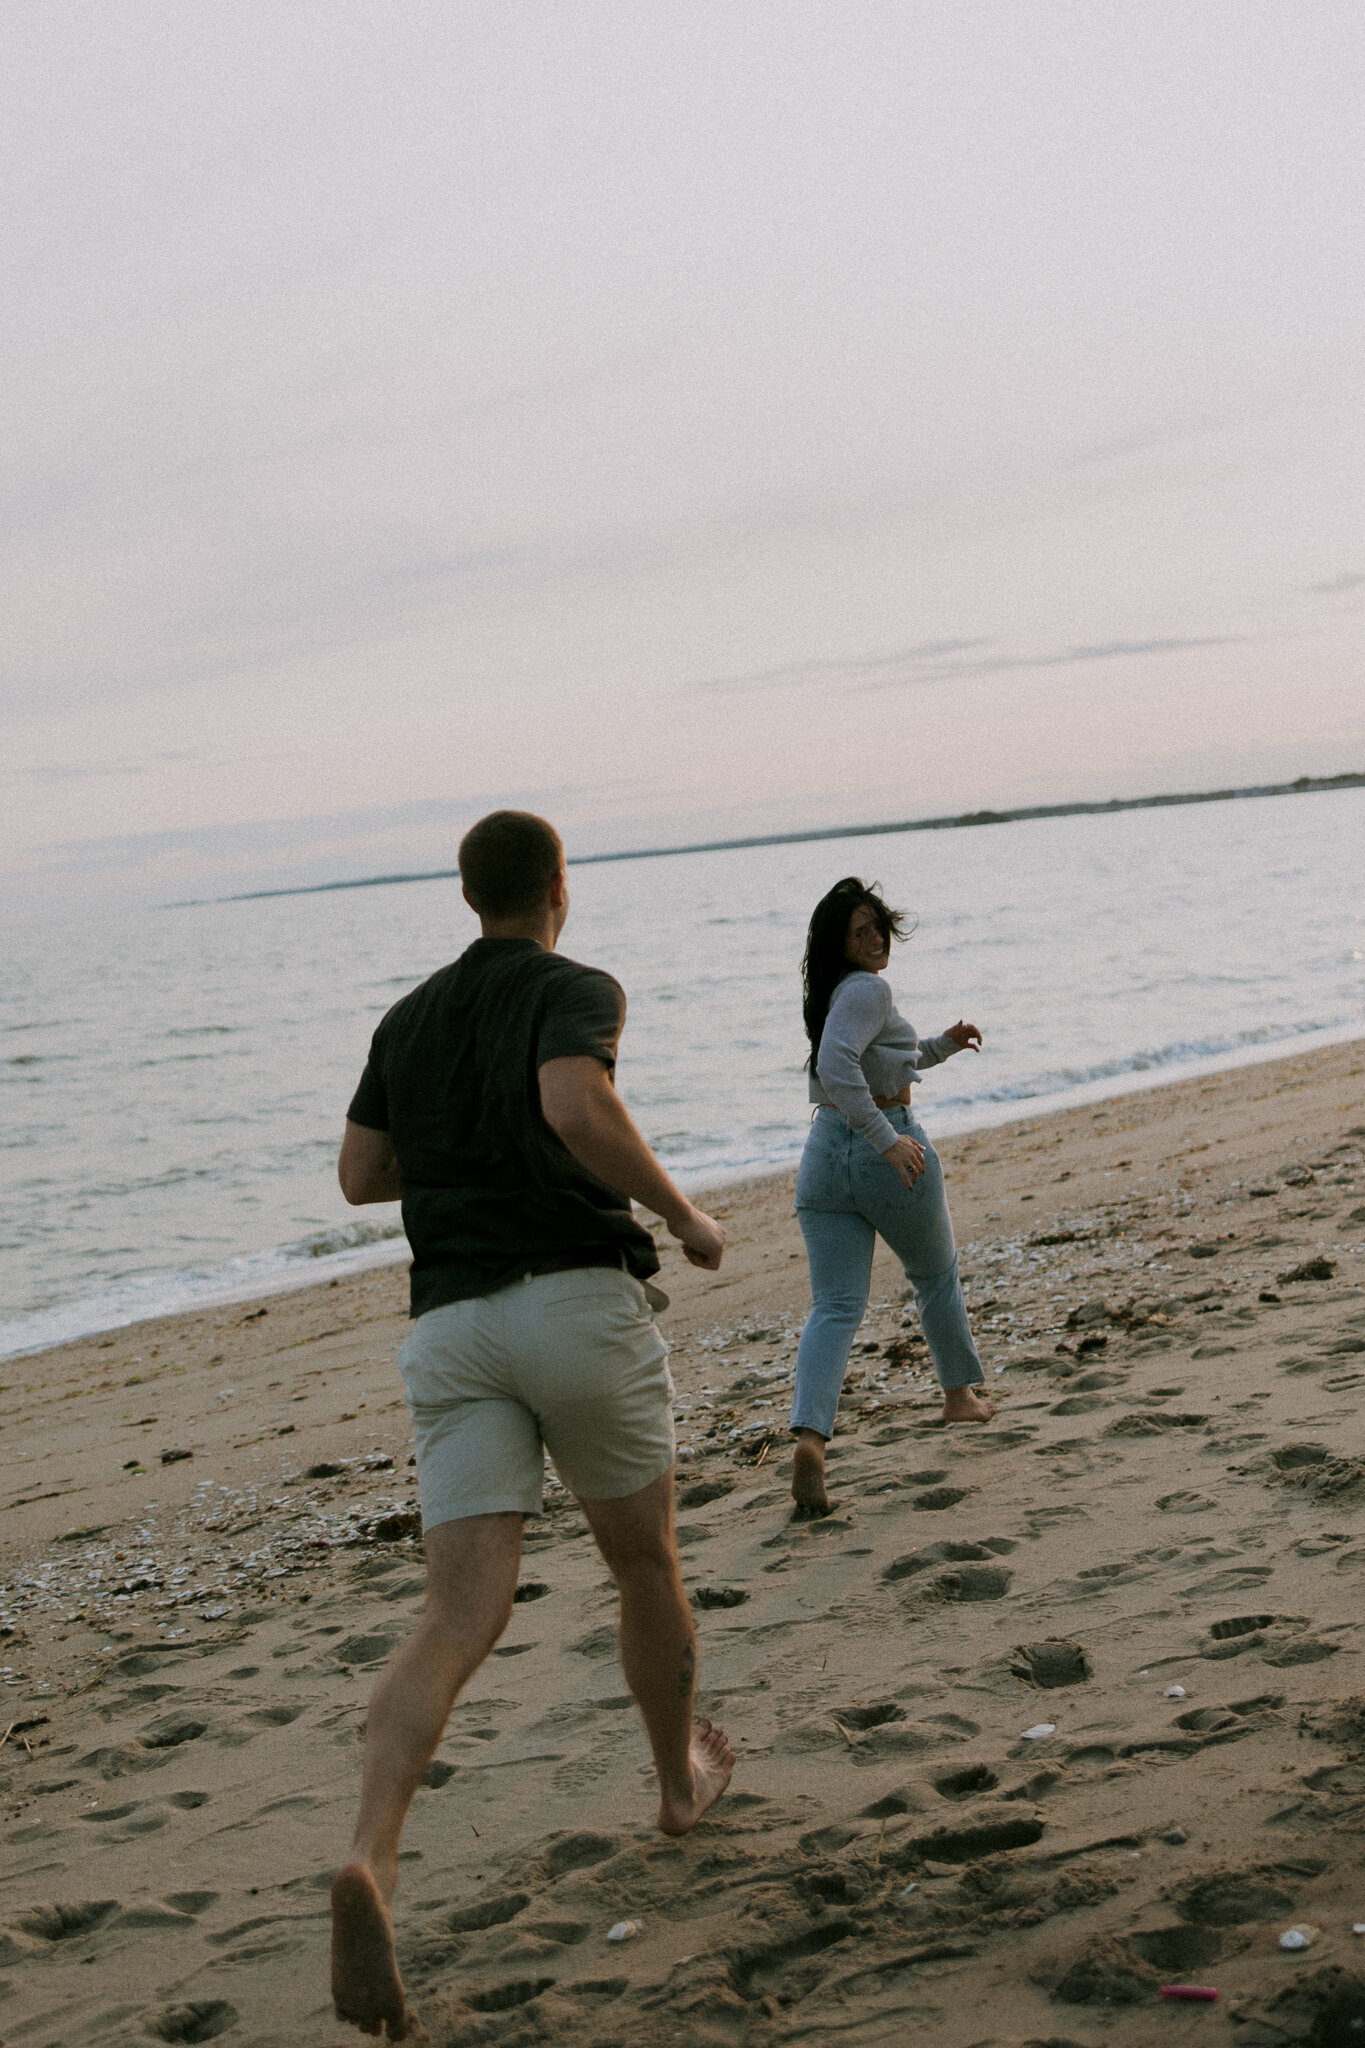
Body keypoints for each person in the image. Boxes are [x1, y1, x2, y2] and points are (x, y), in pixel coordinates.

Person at [329, 809, 733, 2039]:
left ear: (466, 896)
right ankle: (677, 1783)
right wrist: (680, 1212)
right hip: (571, 1298)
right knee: (642, 1559)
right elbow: (573, 1105)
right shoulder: (576, 986)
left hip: (451, 1328)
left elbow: (359, 1173)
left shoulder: (407, 1018)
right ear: (558, 886)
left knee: (457, 1613)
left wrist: (459, 1158)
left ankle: (371, 1859)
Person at [789, 876, 993, 1516]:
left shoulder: (837, 995)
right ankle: (959, 1397)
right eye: (860, 932)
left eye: (877, 925)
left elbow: (882, 1062)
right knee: (936, 1274)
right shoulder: (869, 989)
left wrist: (944, 1044)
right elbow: (837, 1067)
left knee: (836, 1307)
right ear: (840, 945)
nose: (875, 938)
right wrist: (886, 1140)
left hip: (823, 1156)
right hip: (886, 1147)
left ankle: (811, 1441)